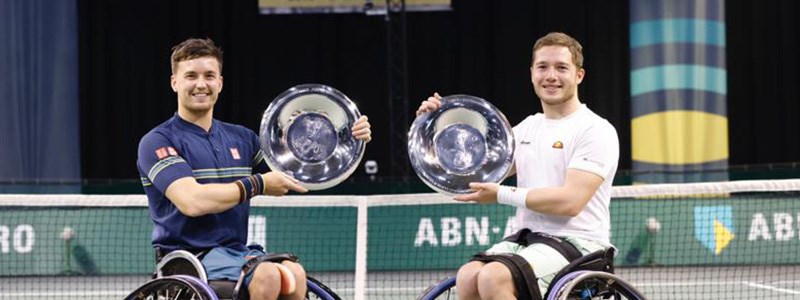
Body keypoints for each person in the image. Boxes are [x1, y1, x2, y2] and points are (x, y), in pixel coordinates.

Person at [137, 38, 372, 300]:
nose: (201, 84)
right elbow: (192, 201)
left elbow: (295, 170)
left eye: (209, 76)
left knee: (294, 271)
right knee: (269, 275)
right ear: (175, 83)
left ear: (220, 83)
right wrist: (258, 184)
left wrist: (344, 138)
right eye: (191, 76)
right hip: (186, 260)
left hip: (236, 252)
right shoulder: (158, 141)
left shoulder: (243, 138)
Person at [416, 32, 619, 299]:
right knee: (468, 276)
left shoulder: (595, 129)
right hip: (526, 239)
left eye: (561, 68)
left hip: (580, 244)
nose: (551, 76)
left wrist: (501, 194)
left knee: (494, 276)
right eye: (543, 67)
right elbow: (471, 172)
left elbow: (570, 202)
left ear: (579, 75)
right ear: (532, 73)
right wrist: (433, 126)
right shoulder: (527, 128)